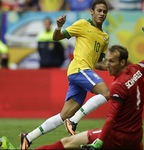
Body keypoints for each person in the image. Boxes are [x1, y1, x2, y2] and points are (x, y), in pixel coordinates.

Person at [34, 20, 144, 150]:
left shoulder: (118, 85)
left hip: (117, 136)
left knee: (67, 143)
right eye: (107, 61)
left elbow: (111, 118)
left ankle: (73, 120)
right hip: (136, 137)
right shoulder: (138, 69)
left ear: (122, 63)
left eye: (112, 61)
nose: (107, 65)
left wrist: (99, 142)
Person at [20, 0, 109, 149]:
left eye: (104, 12)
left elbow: (98, 63)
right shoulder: (82, 24)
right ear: (92, 12)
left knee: (64, 115)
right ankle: (73, 122)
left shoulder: (105, 37)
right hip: (79, 69)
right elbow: (56, 38)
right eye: (99, 10)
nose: (102, 14)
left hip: (84, 71)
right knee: (106, 93)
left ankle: (28, 138)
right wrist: (59, 26)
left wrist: (113, 67)